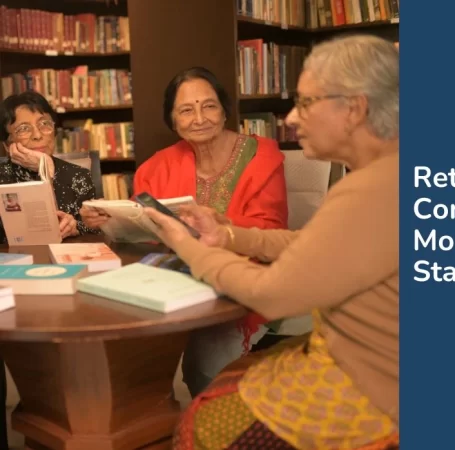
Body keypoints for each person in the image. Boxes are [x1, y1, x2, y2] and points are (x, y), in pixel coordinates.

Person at [143, 34, 399, 450]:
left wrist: (190, 245)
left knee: (204, 422)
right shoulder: (390, 173)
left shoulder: (371, 188)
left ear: (354, 110)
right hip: (372, 363)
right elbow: (314, 242)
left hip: (372, 389)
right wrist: (228, 234)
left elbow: (272, 296)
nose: (293, 119)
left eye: (306, 103)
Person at [80, 66, 290, 398]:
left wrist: (218, 230)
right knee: (130, 355)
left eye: (209, 106)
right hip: (173, 279)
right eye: (186, 110)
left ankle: (212, 429)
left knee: (206, 363)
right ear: (173, 121)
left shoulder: (261, 157)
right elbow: (142, 226)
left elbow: (270, 231)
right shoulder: (156, 166)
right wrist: (107, 219)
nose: (199, 118)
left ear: (224, 111)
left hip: (237, 282)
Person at [0, 90, 99, 242]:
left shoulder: (78, 175)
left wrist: (75, 227)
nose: (38, 135)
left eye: (44, 124)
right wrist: (43, 168)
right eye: (24, 129)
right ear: (7, 145)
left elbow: (95, 228)